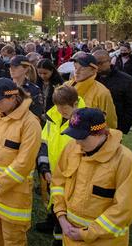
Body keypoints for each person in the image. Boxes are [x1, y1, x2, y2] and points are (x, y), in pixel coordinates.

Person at [51, 108, 132, 245]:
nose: (77, 142)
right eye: (74, 136)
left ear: (99, 133)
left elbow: (123, 210)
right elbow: (58, 183)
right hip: (70, 237)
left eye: (82, 137)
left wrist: (86, 233)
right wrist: (61, 216)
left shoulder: (126, 161)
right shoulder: (72, 148)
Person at [0, 78, 41, 245]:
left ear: (13, 98)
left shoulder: (30, 123)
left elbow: (24, 162)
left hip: (13, 197)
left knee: (13, 239)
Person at [35, 86, 85, 241]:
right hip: (53, 171)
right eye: (57, 106)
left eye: (64, 107)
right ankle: (52, 221)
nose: (60, 110)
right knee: (54, 199)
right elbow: (44, 143)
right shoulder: (52, 116)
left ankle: (60, 232)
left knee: (66, 206)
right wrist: (44, 167)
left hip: (72, 174)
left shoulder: (84, 120)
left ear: (75, 104)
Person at [65, 54, 118, 129]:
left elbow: (109, 122)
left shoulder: (102, 93)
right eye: (75, 67)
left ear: (94, 70)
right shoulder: (66, 86)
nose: (77, 71)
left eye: (82, 69)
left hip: (90, 137)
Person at [93, 49, 132, 134]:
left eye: (100, 63)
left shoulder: (126, 80)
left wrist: (121, 128)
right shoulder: (91, 79)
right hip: (91, 126)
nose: (97, 67)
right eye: (95, 64)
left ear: (110, 61)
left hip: (116, 127)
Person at [7, 55, 44, 120]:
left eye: (15, 67)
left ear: (26, 69)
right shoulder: (5, 86)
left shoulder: (34, 90)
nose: (11, 69)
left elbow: (36, 115)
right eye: (10, 66)